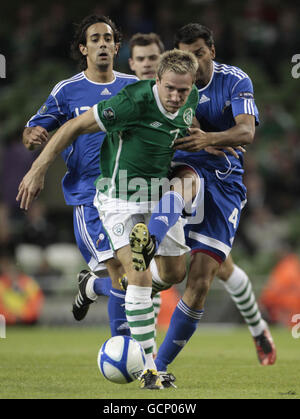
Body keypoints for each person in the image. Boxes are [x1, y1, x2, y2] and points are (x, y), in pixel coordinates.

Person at [16, 49, 200, 389]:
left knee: (174, 273)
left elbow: (187, 125)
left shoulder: (191, 100)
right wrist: (38, 169)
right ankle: (149, 369)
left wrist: (213, 143)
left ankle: (96, 283)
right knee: (139, 277)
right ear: (156, 81)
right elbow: (73, 126)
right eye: (170, 89)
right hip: (118, 199)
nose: (176, 97)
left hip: (157, 192)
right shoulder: (131, 101)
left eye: (183, 91)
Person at [130, 23, 276, 379]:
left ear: (211, 50)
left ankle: (157, 368)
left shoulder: (235, 80)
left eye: (198, 53)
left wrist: (209, 137)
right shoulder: (179, 84)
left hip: (226, 182)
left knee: (204, 279)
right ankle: (143, 247)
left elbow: (246, 132)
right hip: (188, 165)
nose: (193, 61)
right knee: (172, 271)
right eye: (186, 54)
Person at [22, 15, 139, 335]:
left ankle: (91, 288)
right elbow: (35, 128)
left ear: (117, 47)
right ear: (83, 48)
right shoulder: (67, 90)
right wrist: (32, 136)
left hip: (130, 194)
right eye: (95, 39)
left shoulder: (134, 87)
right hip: (88, 195)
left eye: (108, 39)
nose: (102, 44)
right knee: (122, 272)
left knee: (140, 278)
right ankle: (125, 347)